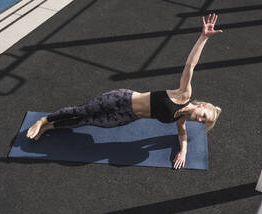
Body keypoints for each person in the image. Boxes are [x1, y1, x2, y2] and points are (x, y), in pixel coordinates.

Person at [27, 13, 223, 169]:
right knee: (83, 111)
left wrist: (183, 153)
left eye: (203, 121)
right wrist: (203, 38)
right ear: (202, 105)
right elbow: (190, 65)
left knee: (87, 121)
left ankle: (48, 128)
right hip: (121, 99)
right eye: (203, 115)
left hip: (126, 117)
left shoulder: (179, 119)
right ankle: (44, 120)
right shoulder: (183, 95)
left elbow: (182, 136)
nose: (200, 120)